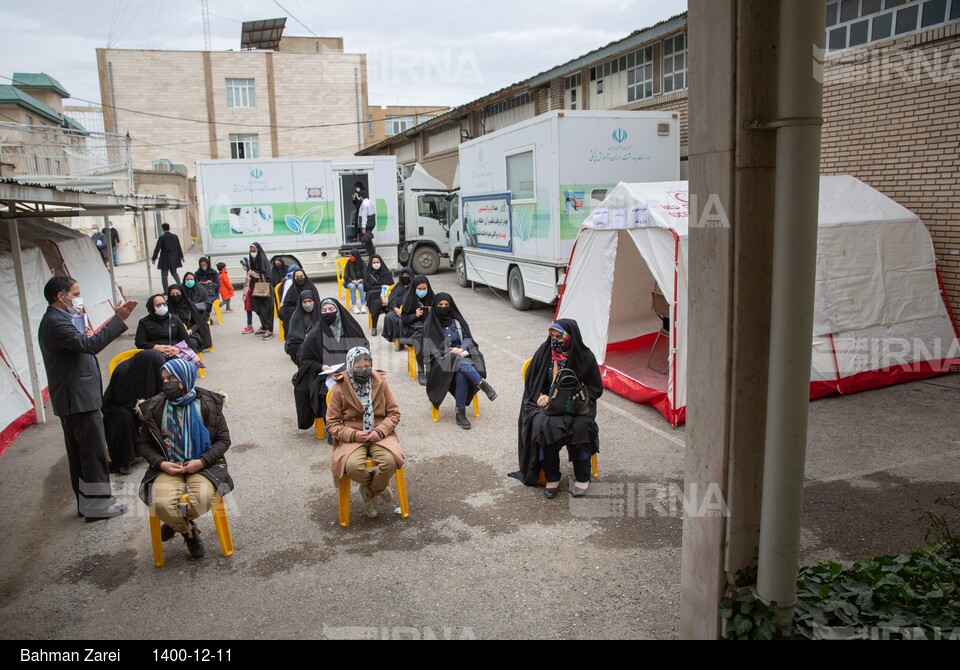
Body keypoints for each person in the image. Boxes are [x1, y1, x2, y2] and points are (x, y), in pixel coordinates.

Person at [37, 275, 138, 521]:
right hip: (77, 399)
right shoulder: (56, 322)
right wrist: (118, 320)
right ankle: (99, 506)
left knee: (83, 455)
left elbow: (83, 343)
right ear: (60, 297)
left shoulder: (61, 318)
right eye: (75, 293)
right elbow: (90, 345)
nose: (78, 298)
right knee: (91, 454)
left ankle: (88, 504)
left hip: (77, 397)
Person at [137, 358, 233, 560]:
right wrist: (161, 463)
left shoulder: (207, 403)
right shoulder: (155, 407)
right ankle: (188, 531)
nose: (167, 383)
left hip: (204, 465)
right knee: (161, 503)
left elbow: (224, 440)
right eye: (164, 379)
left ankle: (176, 524)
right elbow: (143, 445)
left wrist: (202, 461)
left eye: (172, 378)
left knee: (204, 498)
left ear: (185, 378)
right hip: (167, 466)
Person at [511, 320, 602, 499]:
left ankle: (583, 477)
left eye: (559, 336)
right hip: (549, 407)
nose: (554, 340)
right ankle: (552, 476)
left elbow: (595, 389)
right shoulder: (544, 354)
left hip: (576, 408)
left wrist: (576, 396)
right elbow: (533, 385)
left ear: (570, 337)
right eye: (552, 336)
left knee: (580, 428)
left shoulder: (585, 357)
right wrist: (541, 396)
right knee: (545, 426)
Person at [326, 346, 403, 519]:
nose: (364, 371)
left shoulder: (380, 382)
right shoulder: (339, 387)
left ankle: (368, 491)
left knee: (390, 461)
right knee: (353, 467)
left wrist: (380, 431)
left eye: (367, 367)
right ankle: (378, 487)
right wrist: (353, 435)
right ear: (350, 365)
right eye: (358, 368)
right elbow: (331, 423)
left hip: (379, 434)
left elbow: (394, 413)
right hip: (352, 437)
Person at [292, 298, 368, 438]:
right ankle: (334, 429)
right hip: (326, 375)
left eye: (331, 310)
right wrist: (321, 366)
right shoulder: (315, 334)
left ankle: (357, 424)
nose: (328, 313)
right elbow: (304, 361)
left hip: (352, 371)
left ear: (338, 312)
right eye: (324, 311)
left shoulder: (351, 329)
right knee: (326, 392)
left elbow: (364, 351)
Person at [422, 293, 497, 429]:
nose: (443, 307)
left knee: (461, 374)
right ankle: (481, 383)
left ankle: (460, 413)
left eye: (446, 305)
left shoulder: (456, 321)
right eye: (440, 305)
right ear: (435, 306)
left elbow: (468, 339)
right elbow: (430, 348)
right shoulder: (431, 323)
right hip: (439, 363)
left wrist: (461, 350)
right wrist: (450, 351)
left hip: (460, 358)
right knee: (454, 359)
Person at [102, 349, 166, 475]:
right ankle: (122, 460)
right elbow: (117, 398)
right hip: (119, 406)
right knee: (123, 416)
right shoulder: (123, 371)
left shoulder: (153, 370)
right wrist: (137, 406)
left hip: (141, 402)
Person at [135, 293, 201, 356]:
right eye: (158, 305)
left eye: (164, 304)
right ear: (151, 307)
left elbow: (186, 340)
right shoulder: (144, 322)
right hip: (153, 354)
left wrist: (178, 349)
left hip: (175, 352)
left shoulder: (175, 319)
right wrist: (155, 347)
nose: (162, 307)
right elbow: (139, 343)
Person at [399, 274, 436, 385]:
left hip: (429, 327)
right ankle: (421, 372)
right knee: (419, 340)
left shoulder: (431, 297)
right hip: (413, 329)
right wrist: (415, 315)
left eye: (424, 289)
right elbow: (404, 320)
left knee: (436, 338)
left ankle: (433, 370)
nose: (422, 291)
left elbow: (440, 315)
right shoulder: (409, 298)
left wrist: (432, 312)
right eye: (419, 289)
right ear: (414, 288)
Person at [166, 285, 212, 352]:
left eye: (177, 293)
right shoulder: (168, 308)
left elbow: (198, 322)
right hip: (174, 333)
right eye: (172, 294)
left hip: (190, 332)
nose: (175, 296)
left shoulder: (189, 306)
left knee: (191, 343)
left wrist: (190, 330)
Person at [246, 242, 275, 339]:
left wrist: (255, 274)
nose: (252, 253)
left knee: (266, 309)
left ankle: (269, 330)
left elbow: (267, 275)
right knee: (259, 308)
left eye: (254, 251)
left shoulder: (263, 260)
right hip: (256, 289)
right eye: (251, 251)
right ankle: (263, 326)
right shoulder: (253, 260)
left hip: (264, 288)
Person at [283, 290, 320, 365]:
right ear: (300, 303)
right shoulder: (296, 316)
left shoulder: (319, 313)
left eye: (310, 301)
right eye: (305, 302)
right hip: (301, 345)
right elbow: (292, 337)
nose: (308, 304)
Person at [278, 268, 317, 332]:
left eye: (301, 276)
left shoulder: (311, 288)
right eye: (297, 277)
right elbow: (287, 306)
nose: (299, 278)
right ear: (294, 278)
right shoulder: (292, 290)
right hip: (295, 313)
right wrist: (298, 310)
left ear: (305, 276)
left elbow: (317, 302)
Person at [380, 266, 412, 345]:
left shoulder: (413, 287)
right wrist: (395, 308)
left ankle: (402, 342)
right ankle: (397, 340)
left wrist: (403, 310)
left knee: (401, 321)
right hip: (396, 309)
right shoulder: (398, 286)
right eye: (403, 275)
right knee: (389, 317)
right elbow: (392, 299)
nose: (405, 277)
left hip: (409, 311)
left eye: (407, 275)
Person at [364, 254, 393, 337]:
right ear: (371, 263)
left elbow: (390, 286)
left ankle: (389, 329)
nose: (376, 264)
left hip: (385, 298)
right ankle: (374, 327)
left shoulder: (386, 272)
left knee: (389, 305)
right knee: (376, 304)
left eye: (377, 262)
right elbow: (367, 287)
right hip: (373, 299)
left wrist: (377, 288)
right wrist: (381, 287)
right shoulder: (368, 273)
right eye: (374, 262)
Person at [152, 223, 185, 292]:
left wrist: (154, 258)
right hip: (174, 258)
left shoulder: (162, 238)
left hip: (165, 258)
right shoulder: (175, 236)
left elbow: (157, 248)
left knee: (164, 275)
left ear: (162, 229)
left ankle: (166, 290)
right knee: (174, 273)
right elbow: (178, 247)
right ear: (169, 228)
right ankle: (181, 286)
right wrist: (181, 256)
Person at [358, 190, 376, 259]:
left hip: (367, 224)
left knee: (367, 240)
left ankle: (372, 255)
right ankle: (371, 254)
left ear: (361, 196)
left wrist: (363, 227)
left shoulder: (364, 204)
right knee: (368, 240)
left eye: (360, 197)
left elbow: (364, 216)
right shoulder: (371, 202)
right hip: (372, 223)